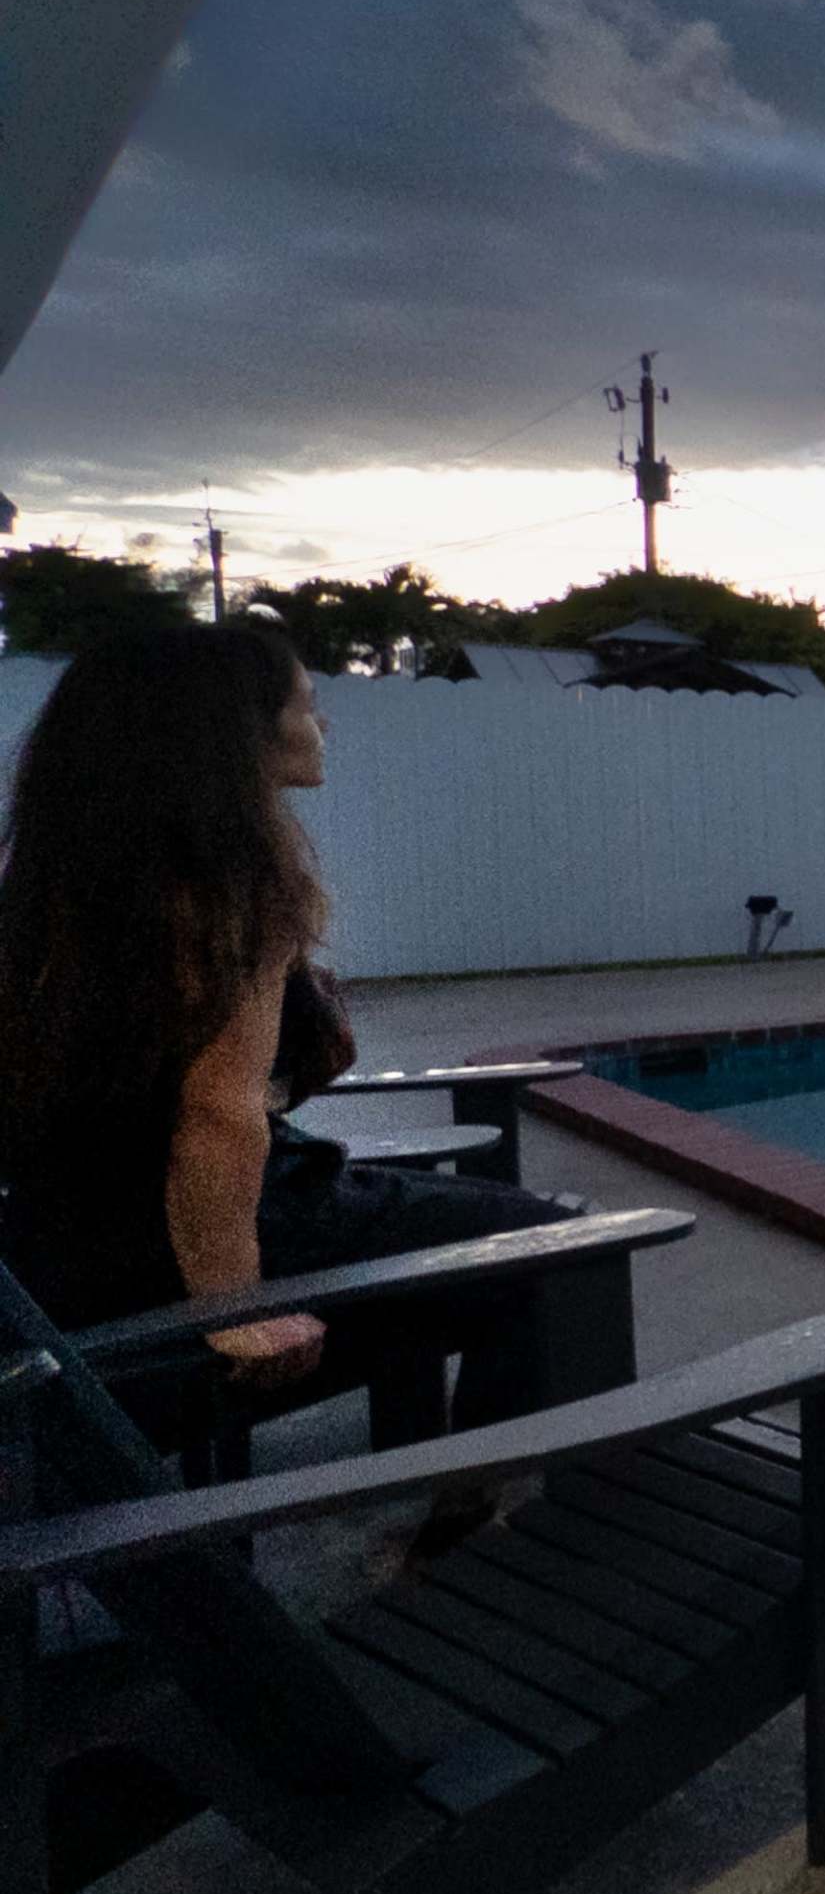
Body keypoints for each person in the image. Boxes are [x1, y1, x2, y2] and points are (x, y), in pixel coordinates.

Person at [0, 620, 581, 1552]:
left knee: (492, 1222)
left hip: (59, 1237)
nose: (323, 726)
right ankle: (483, 1525)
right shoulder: (230, 886)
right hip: (181, 1237)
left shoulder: (54, 886)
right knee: (555, 1247)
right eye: (308, 705)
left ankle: (471, 1493)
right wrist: (235, 1307)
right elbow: (217, 1117)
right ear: (242, 736)